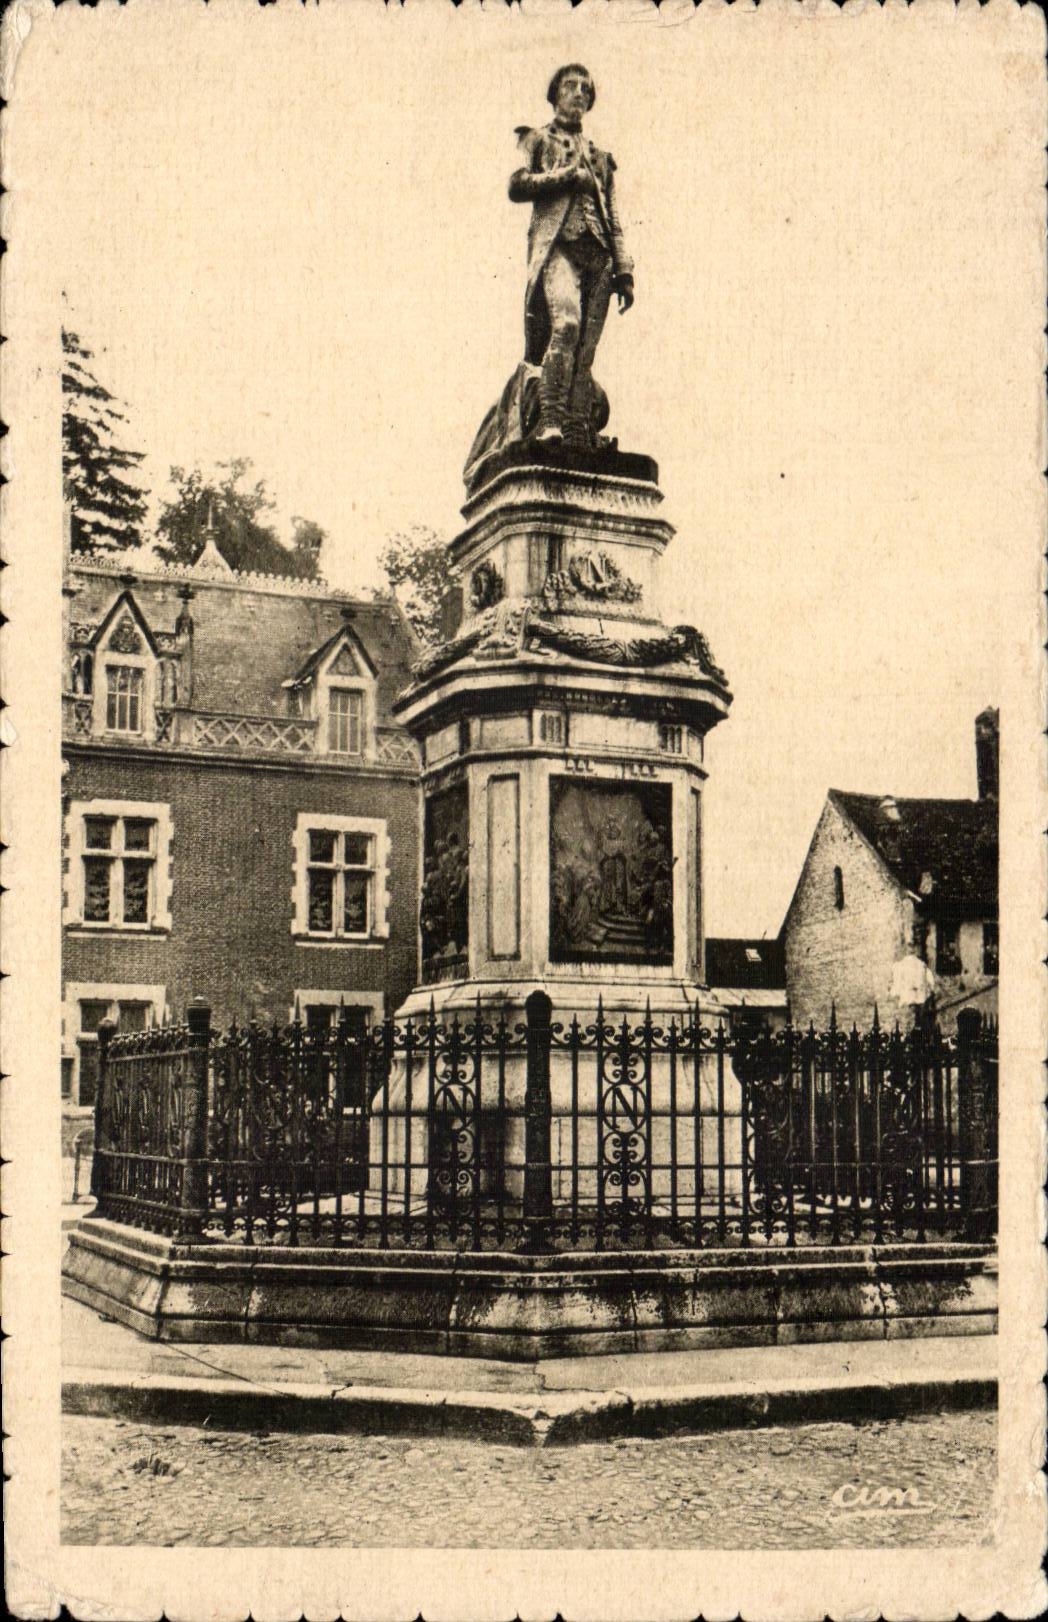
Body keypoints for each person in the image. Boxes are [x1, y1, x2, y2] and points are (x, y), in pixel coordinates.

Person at [509, 64, 634, 446]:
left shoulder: (600, 157)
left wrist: (625, 269)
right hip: (559, 248)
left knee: (586, 347)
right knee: (566, 326)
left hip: (599, 256)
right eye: (570, 86)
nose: (578, 93)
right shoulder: (539, 140)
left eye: (585, 88)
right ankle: (550, 420)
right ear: (555, 94)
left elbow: (613, 217)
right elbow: (517, 185)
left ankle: (578, 429)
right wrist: (565, 177)